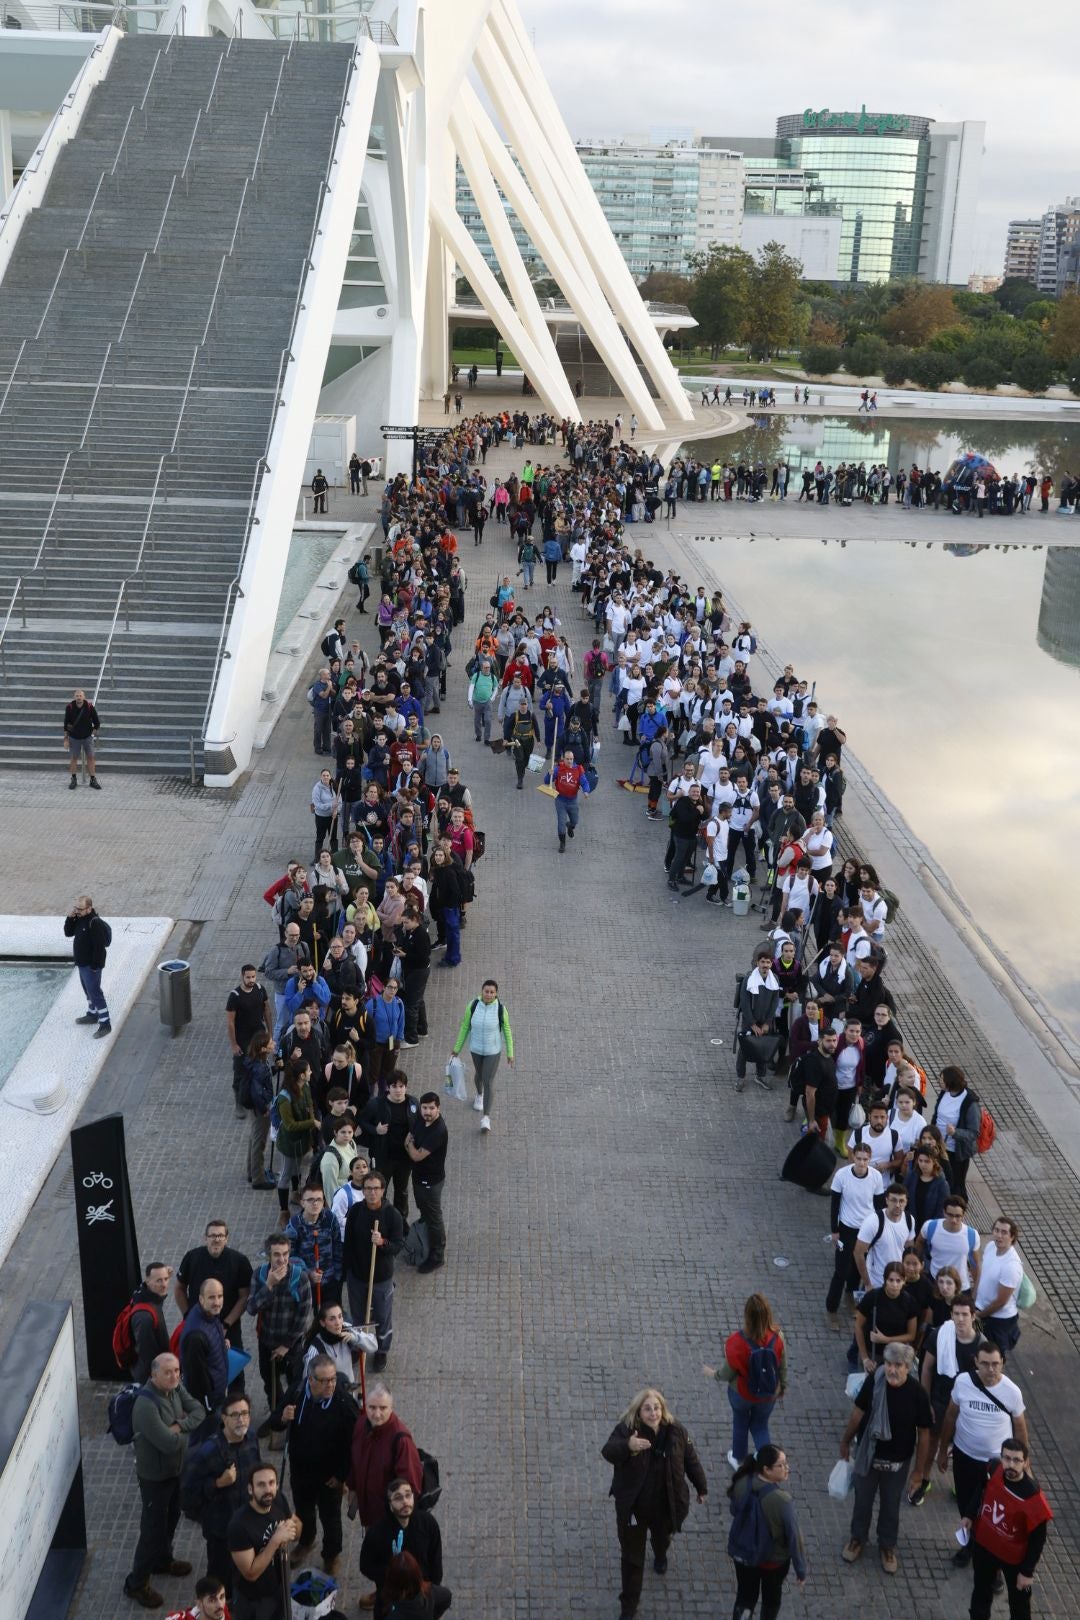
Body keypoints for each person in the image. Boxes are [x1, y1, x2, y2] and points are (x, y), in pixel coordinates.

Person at [602, 1388, 707, 1620]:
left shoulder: (677, 1431)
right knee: (632, 1560)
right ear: (639, 1411)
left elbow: (690, 1459)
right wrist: (628, 1446)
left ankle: (660, 1554)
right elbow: (608, 1451)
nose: (653, 1413)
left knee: (662, 1539)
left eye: (657, 1407)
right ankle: (628, 1607)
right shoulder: (627, 1430)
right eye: (647, 1408)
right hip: (634, 1510)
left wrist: (701, 1486)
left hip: (665, 1508)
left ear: (663, 1408)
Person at [838, 1342, 933, 1575]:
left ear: (908, 1367)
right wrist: (846, 1440)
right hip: (868, 1458)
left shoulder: (917, 1393)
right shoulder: (875, 1380)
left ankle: (887, 1546)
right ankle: (857, 1539)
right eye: (889, 1364)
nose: (892, 1370)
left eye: (898, 1365)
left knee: (891, 1506)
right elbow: (858, 1412)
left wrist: (919, 1472)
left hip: (897, 1464)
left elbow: (924, 1434)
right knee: (862, 1502)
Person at [937, 1341, 1029, 1570]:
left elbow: (1020, 1429)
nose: (990, 1369)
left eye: (995, 1364)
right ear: (976, 1362)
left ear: (1003, 1364)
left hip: (996, 1465)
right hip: (964, 1456)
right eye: (985, 1364)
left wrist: (1024, 1465)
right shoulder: (963, 1382)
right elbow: (950, 1416)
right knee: (966, 1505)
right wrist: (941, 1451)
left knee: (994, 1514)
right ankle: (969, 1546)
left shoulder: (1012, 1392)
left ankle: (991, 1562)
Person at [123, 1353, 204, 1609]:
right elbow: (168, 1445)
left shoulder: (176, 1387)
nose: (174, 1376)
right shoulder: (146, 1406)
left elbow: (199, 1410)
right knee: (151, 1531)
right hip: (155, 1478)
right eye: (167, 1372)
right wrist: (187, 1434)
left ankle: (162, 1561)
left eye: (177, 1370)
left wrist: (179, 1426)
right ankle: (136, 1583)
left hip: (175, 1471)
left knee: (171, 1519)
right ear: (153, 1375)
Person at [270, 1354, 358, 1579]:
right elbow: (274, 1421)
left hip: (330, 1477)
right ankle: (307, 1540)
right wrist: (282, 1417)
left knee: (331, 1519)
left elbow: (354, 1445)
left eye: (333, 1379)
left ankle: (331, 1555)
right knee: (303, 1511)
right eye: (325, 1380)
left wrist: (342, 1476)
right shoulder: (297, 1393)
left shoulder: (344, 1404)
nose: (331, 1385)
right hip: (301, 1471)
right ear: (310, 1380)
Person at [347, 1383, 424, 1610]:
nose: (376, 1413)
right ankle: (384, 1588)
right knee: (380, 1556)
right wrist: (352, 1486)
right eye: (372, 1407)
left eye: (382, 1408)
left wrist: (397, 1520)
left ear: (392, 1408)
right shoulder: (362, 1423)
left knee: (391, 1559)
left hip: (390, 1519)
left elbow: (409, 1488)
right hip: (370, 1509)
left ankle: (392, 1596)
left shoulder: (401, 1440)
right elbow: (356, 1458)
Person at [180, 1390, 262, 1599]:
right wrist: (217, 1483)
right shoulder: (208, 1451)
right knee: (219, 1577)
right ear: (223, 1418)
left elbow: (257, 1472)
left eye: (245, 1413)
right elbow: (188, 1495)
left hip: (247, 1524)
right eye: (234, 1415)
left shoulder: (251, 1438)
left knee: (244, 1572)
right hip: (220, 1529)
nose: (241, 1419)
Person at [968, 1439, 1052, 1620]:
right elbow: (980, 1487)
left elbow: (1038, 1540)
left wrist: (1027, 1572)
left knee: (1020, 1606)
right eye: (1007, 1458)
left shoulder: (1033, 1498)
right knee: (980, 1594)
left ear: (1026, 1462)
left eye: (1017, 1460)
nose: (1011, 1464)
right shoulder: (993, 1469)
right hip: (986, 1546)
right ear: (1001, 1457)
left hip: (1015, 1560)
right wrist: (969, 1514)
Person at [703, 1292, 787, 1469]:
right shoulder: (778, 1336)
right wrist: (782, 1387)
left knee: (740, 1421)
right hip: (767, 1393)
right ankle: (769, 1464)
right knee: (760, 1426)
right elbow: (782, 1366)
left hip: (742, 1393)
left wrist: (714, 1374)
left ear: (746, 1316)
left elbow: (728, 1372)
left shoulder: (736, 1341)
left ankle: (739, 1458)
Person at [726, 1447, 807, 1620]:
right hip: (772, 1563)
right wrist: (801, 1570)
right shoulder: (782, 1500)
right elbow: (794, 1537)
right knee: (771, 1600)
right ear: (766, 1469)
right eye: (781, 1465)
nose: (787, 1468)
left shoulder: (742, 1482)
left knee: (745, 1598)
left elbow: (734, 1510)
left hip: (744, 1556)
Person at [359, 1480, 449, 1620]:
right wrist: (392, 1575)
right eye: (398, 1498)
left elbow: (435, 1560)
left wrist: (430, 1591)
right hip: (390, 1596)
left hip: (421, 1592)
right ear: (389, 1504)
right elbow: (366, 1566)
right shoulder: (377, 1533)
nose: (405, 1502)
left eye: (408, 1495)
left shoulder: (427, 1523)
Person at [343, 1171, 405, 1372]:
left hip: (381, 1279)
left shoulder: (392, 1215)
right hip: (358, 1276)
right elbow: (348, 1242)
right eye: (367, 1188)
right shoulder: (355, 1212)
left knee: (382, 1316)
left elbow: (398, 1245)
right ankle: (358, 1345)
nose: (371, 1193)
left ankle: (381, 1351)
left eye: (375, 1188)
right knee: (358, 1316)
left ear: (382, 1190)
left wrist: (382, 1242)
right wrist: (347, 1270)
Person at [244, 1234, 313, 1411]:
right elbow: (251, 1308)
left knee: (295, 1383)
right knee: (270, 1383)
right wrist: (269, 1285)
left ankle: (293, 1418)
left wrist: (286, 1345)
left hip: (292, 1344)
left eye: (285, 1254)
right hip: (267, 1340)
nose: (281, 1259)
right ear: (269, 1255)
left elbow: (303, 1315)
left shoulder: (301, 1278)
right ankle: (277, 1416)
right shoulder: (259, 1275)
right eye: (276, 1255)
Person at [227, 1462, 302, 1620]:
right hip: (254, 1599)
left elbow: (297, 1529)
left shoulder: (278, 1499)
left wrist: (292, 1527)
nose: (268, 1490)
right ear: (250, 1489)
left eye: (271, 1483)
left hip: (280, 1586)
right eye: (261, 1485)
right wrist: (275, 1541)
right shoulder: (239, 1525)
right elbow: (251, 1573)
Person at [825, 1142, 883, 1326]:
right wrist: (834, 1230)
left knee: (859, 1267)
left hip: (866, 1229)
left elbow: (879, 1205)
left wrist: (878, 1230)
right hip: (846, 1227)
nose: (862, 1163)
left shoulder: (876, 1177)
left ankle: (849, 1296)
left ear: (870, 1159)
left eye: (865, 1159)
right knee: (840, 1270)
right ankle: (831, 1309)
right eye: (858, 1159)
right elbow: (835, 1205)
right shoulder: (842, 1175)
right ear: (853, 1158)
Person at [450, 979, 514, 1132]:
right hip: (476, 1049)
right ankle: (479, 1095)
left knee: (488, 1080)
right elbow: (465, 1026)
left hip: (493, 1051)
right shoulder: (473, 1005)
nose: (489, 995)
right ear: (482, 991)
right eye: (486, 991)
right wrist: (456, 1048)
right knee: (478, 1075)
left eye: (492, 992)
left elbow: (507, 1031)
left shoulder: (501, 1009)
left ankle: (486, 1117)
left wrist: (510, 1053)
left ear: (496, 993)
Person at [178, 1279, 231, 1439]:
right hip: (209, 1403)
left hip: (217, 1392)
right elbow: (197, 1380)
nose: (217, 1302)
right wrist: (207, 1409)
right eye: (212, 1297)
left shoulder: (207, 1314)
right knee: (205, 1440)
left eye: (220, 1296)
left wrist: (221, 1343)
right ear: (201, 1299)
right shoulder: (195, 1337)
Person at [405, 1092, 448, 1274]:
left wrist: (409, 1146)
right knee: (425, 1212)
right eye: (424, 1108)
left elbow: (414, 1153)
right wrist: (410, 1145)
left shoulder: (438, 1130)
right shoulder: (420, 1120)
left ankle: (437, 1256)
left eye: (431, 1108)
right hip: (418, 1177)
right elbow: (407, 1139)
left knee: (433, 1217)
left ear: (438, 1108)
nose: (427, 1112)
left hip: (431, 1181)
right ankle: (428, 1241)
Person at [853, 1261, 917, 1375]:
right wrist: (865, 1358)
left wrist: (885, 1339)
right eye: (891, 1280)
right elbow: (858, 1326)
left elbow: (911, 1335)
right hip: (873, 1354)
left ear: (904, 1281)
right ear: (885, 1280)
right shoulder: (872, 1297)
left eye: (898, 1281)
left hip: (896, 1355)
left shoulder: (909, 1301)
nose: (894, 1284)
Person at [973, 1215, 1024, 1357]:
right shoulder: (990, 1247)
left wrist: (979, 1315)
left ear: (1012, 1237)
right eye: (996, 1230)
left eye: (1004, 1232)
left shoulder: (1011, 1266)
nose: (999, 1235)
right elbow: (982, 1275)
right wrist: (973, 1299)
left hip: (998, 1320)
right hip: (980, 1310)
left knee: (993, 1355)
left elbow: (1001, 1302)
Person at [226, 965, 272, 1119]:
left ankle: (258, 1097)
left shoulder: (260, 989)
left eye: (253, 977)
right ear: (242, 977)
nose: (251, 980)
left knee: (260, 1068)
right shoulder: (235, 996)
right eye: (248, 977)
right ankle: (239, 1102)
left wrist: (270, 1034)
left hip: (258, 1038)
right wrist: (234, 1044)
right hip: (243, 1040)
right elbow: (230, 1022)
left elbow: (267, 1011)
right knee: (240, 1071)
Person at [64, 894, 113, 1038]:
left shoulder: (94, 923)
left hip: (91, 966)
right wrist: (70, 917)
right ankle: (92, 1014)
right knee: (88, 991)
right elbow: (68, 933)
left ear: (89, 908)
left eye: (80, 909)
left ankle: (105, 1024)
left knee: (95, 993)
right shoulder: (79, 919)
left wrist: (95, 966)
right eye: (76, 908)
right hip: (82, 964)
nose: (77, 911)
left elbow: (99, 948)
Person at [931, 1064, 983, 1197]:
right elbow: (937, 1115)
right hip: (938, 1146)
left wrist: (955, 1133)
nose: (939, 1082)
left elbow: (974, 1133)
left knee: (955, 1184)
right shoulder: (944, 1093)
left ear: (950, 1083)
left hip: (955, 1152)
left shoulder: (969, 1102)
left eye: (942, 1080)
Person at [735, 951, 780, 1092]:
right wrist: (752, 1024)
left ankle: (761, 1076)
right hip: (750, 1021)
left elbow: (774, 1003)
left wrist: (767, 1022)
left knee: (762, 1048)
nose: (765, 965)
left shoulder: (775, 980)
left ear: (771, 964)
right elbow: (745, 1003)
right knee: (744, 1049)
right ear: (757, 963)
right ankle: (740, 1078)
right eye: (762, 962)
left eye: (768, 962)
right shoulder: (750, 979)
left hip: (765, 1022)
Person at [552, 745, 590, 852]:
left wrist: (586, 791)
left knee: (575, 821)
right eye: (567, 759)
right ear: (563, 759)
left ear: (573, 759)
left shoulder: (578, 769)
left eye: (571, 759)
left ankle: (570, 826)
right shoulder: (558, 768)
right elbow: (547, 781)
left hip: (573, 801)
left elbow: (584, 781)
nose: (569, 761)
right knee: (561, 822)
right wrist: (549, 774)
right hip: (560, 800)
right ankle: (562, 843)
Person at [64, 686, 101, 787]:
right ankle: (73, 779)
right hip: (74, 738)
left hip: (87, 737)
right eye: (77, 696)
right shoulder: (70, 707)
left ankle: (93, 779)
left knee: (91, 758)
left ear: (84, 697)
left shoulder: (89, 707)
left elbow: (97, 723)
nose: (79, 697)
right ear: (74, 697)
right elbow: (66, 724)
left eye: (80, 696)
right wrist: (66, 739)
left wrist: (92, 735)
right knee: (73, 759)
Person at [163, 1574, 231, 1620]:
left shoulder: (221, 1611)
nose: (220, 1605)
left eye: (222, 1597)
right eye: (212, 1600)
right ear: (199, 1604)